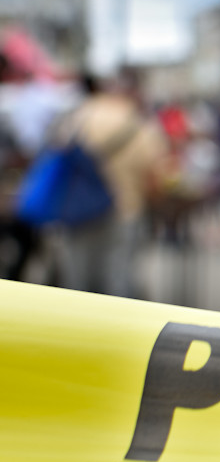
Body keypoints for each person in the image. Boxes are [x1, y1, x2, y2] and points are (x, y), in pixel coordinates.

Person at [61, 69, 167, 297]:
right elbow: (155, 174)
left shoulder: (81, 114)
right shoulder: (139, 122)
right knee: (117, 281)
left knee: (77, 282)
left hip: (76, 209)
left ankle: (76, 329)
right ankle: (112, 332)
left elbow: (56, 152)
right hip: (124, 210)